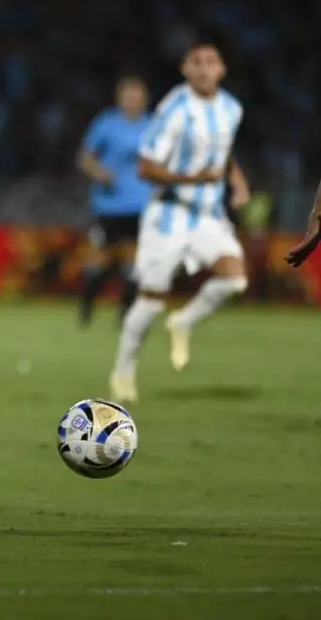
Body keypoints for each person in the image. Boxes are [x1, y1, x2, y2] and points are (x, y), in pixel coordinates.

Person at [109, 43, 249, 404]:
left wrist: (237, 180)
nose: (203, 69)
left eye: (210, 62)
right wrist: (193, 179)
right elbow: (145, 167)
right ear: (185, 69)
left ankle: (183, 321)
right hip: (168, 217)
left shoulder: (231, 108)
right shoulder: (173, 109)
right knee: (151, 300)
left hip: (207, 215)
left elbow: (223, 152)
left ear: (222, 69)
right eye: (196, 62)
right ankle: (123, 370)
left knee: (234, 278)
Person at [76, 76, 151, 327]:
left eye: (136, 95)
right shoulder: (106, 124)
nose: (131, 100)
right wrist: (99, 172)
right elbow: (85, 157)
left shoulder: (153, 126)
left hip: (141, 204)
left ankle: (125, 314)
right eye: (127, 95)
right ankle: (87, 303)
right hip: (109, 204)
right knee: (101, 260)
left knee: (133, 261)